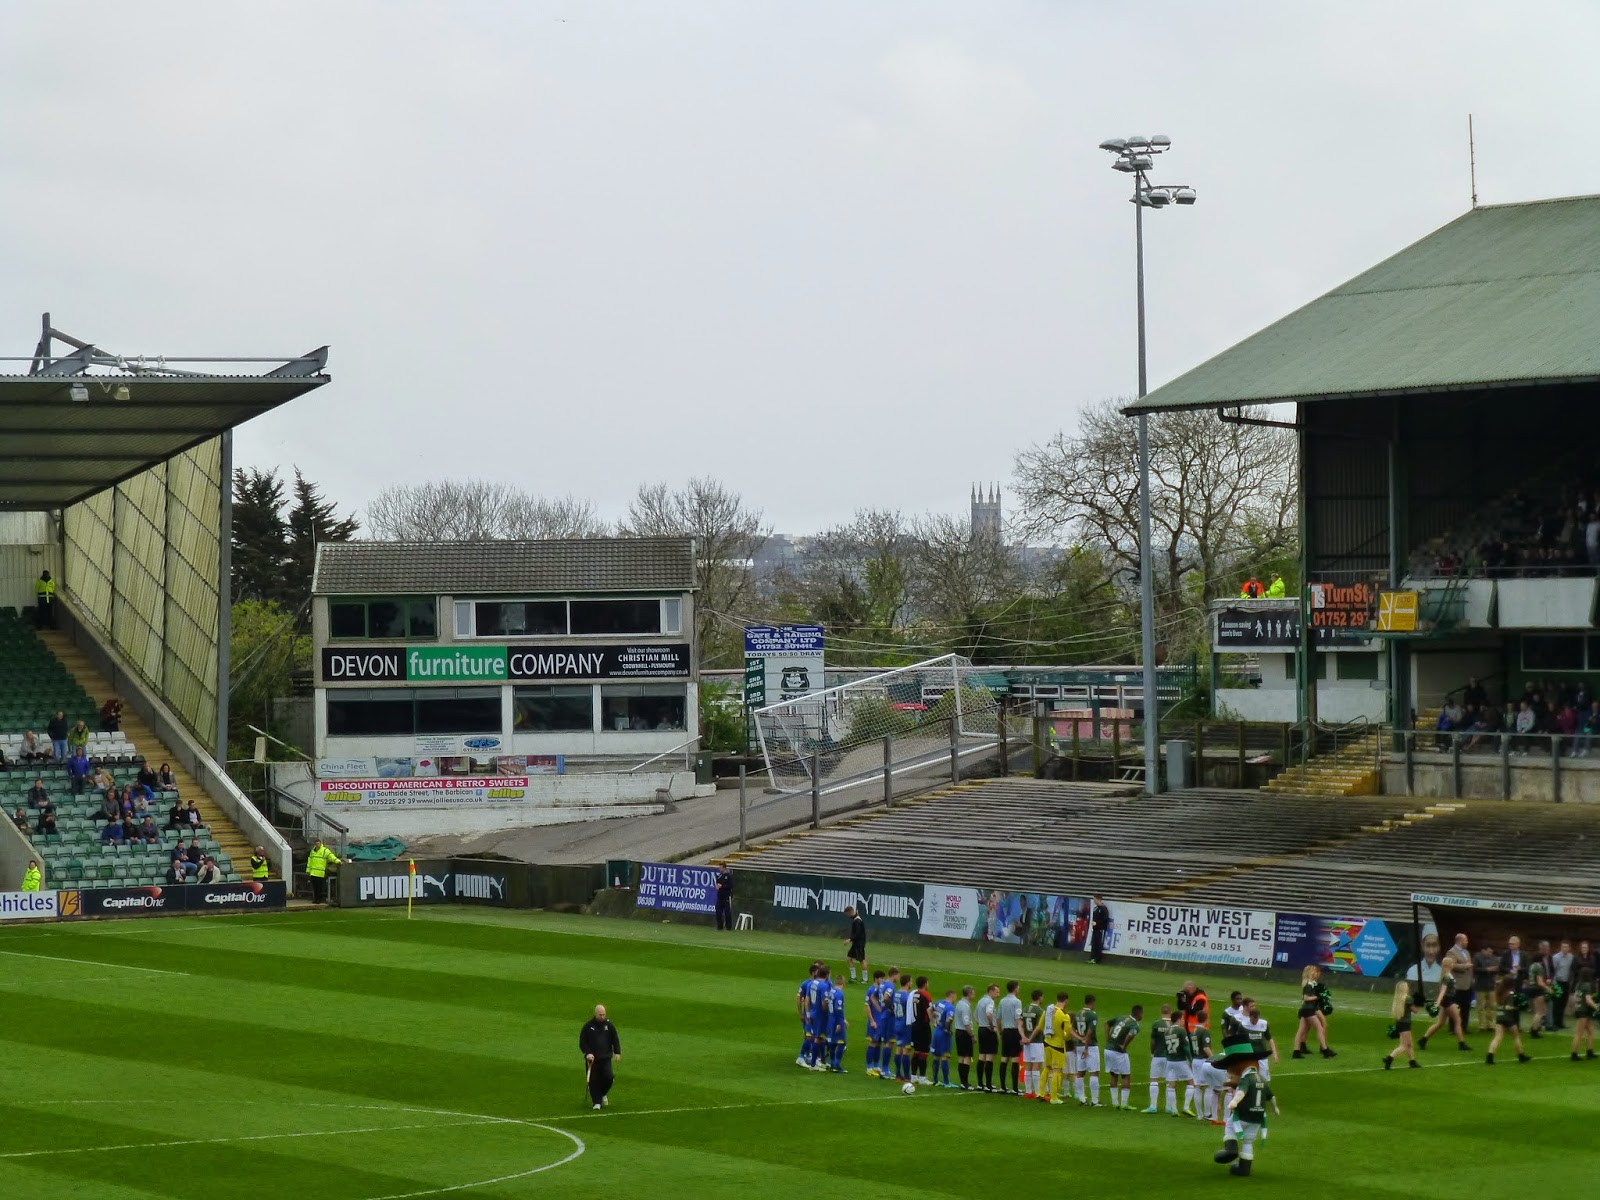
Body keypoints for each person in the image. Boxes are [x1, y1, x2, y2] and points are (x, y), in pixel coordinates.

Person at [1212, 1040, 1278, 1177]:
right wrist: (1275, 1109)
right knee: (1248, 1141)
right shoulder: (1261, 1079)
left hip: (1243, 1114)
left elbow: (1242, 1092)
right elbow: (1271, 1097)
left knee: (1230, 1126)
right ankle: (1244, 1168)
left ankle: (1231, 1150)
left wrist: (1234, 1102)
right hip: (1258, 1117)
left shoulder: (1246, 1079)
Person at [1419, 941, 1472, 1051]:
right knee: (1457, 1021)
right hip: (1448, 1001)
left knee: (1440, 1023)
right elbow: (1443, 991)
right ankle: (1462, 1044)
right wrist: (1437, 1004)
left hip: (1447, 1001)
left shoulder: (1447, 975)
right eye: (1452, 963)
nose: (1453, 964)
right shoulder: (1447, 977)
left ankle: (1423, 1039)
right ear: (1449, 965)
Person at [579, 1004, 621, 1110]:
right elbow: (582, 1042)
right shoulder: (588, 1026)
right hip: (592, 1060)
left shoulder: (609, 1025)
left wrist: (617, 1052)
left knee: (609, 1077)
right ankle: (596, 1102)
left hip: (605, 1058)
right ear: (596, 1014)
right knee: (593, 1081)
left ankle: (603, 1093)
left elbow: (615, 1039)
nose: (602, 1016)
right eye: (600, 1015)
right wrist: (588, 1053)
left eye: (604, 1014)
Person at [1485, 976, 1532, 1065]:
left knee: (1497, 1037)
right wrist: (1517, 1007)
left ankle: (1490, 1056)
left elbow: (1495, 1005)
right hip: (1508, 1018)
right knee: (1516, 1037)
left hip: (1499, 1017)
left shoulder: (1499, 992)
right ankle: (1521, 1056)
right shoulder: (1510, 994)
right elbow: (1508, 1007)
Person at [1292, 965, 1336, 1058]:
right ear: (1310, 973)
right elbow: (1306, 998)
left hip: (1307, 1009)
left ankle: (1296, 1051)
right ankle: (1325, 1050)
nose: (1316, 973)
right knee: (1319, 1028)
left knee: (1301, 1031)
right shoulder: (1309, 985)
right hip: (1309, 1010)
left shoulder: (1311, 984)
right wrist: (1318, 996)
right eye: (1314, 972)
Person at [1104, 1005, 1142, 1111]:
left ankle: (1115, 1103)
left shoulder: (1121, 1017)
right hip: (1118, 1052)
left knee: (1113, 1074)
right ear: (1139, 1014)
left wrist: (1107, 1039)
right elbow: (1131, 1034)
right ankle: (1124, 1104)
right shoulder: (1134, 1025)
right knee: (1126, 1076)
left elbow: (1107, 1023)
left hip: (1108, 1049)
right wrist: (1124, 1046)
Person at [1041, 991, 1070, 1104]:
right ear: (1066, 1001)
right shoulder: (1064, 1015)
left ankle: (1041, 1093)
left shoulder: (1048, 1010)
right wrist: (1068, 1037)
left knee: (1047, 1068)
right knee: (1057, 1070)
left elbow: (1041, 1026)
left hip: (1047, 1042)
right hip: (1058, 1046)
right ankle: (1054, 1097)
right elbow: (1066, 1035)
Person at [1074, 993, 1102, 1106]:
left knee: (1080, 1072)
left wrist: (1079, 1038)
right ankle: (1095, 1101)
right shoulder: (1092, 1015)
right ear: (1092, 1002)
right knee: (1094, 1072)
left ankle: (1082, 1099)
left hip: (1079, 1046)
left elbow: (1071, 1029)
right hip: (1090, 1047)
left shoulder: (1078, 1013)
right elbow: (1090, 1032)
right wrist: (1086, 1046)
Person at [1144, 1003, 1172, 1114]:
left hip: (1158, 1055)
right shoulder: (1174, 1025)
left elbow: (1153, 1041)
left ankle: (1153, 1106)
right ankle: (1169, 1107)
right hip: (1170, 1057)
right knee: (1169, 1082)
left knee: (1154, 1080)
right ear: (1170, 1012)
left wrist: (1152, 1052)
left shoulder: (1156, 1024)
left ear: (1161, 1012)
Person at [997, 980, 1024, 1096]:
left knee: (1004, 1058)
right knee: (1015, 1059)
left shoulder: (1002, 1001)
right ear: (1015, 988)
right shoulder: (1017, 1002)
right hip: (1014, 1031)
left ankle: (1003, 1087)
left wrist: (1000, 1031)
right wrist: (1021, 1035)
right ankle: (1015, 1088)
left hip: (1005, 1031)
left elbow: (998, 1018)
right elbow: (1018, 1019)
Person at [974, 983, 999, 1092]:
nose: (998, 994)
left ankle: (980, 1084)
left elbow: (975, 1016)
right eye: (997, 992)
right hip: (988, 1031)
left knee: (982, 1056)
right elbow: (989, 1014)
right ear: (991, 991)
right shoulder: (990, 1002)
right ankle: (988, 1085)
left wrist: (981, 1024)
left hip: (981, 1029)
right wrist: (992, 1027)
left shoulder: (980, 1001)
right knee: (989, 1057)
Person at [1020, 988, 1045, 1099]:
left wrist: (1023, 1037)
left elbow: (1020, 1024)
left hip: (1026, 1042)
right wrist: (1030, 1038)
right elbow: (1038, 1027)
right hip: (1036, 1042)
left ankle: (1028, 1091)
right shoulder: (1039, 1011)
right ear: (1040, 997)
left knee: (1027, 1066)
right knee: (1036, 1066)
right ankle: (1037, 1092)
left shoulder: (1025, 1008)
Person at [930, 989, 957, 1088]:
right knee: (945, 1056)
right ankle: (946, 1082)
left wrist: (933, 1021)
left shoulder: (939, 1003)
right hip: (943, 1033)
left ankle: (935, 1080)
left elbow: (929, 1010)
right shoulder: (950, 1007)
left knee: (936, 1056)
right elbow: (949, 1019)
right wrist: (947, 1029)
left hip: (936, 1031)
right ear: (952, 996)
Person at [1473, 941, 1500, 1033]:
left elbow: (1498, 969)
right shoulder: (1477, 957)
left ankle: (1491, 1025)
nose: (1490, 953)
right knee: (1481, 1007)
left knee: (1492, 1006)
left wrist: (1495, 970)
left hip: (1491, 985)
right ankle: (1482, 1025)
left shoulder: (1494, 959)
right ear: (1483, 950)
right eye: (1488, 951)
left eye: (1491, 952)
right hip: (1480, 985)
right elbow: (1475, 969)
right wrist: (1486, 969)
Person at [1570, 973, 1598, 1062]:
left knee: (1590, 1031)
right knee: (1579, 1033)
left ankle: (1589, 1051)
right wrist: (1597, 1007)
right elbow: (1588, 1000)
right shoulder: (1587, 985)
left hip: (1580, 1009)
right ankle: (1574, 1054)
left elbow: (1575, 997)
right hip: (1584, 1011)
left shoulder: (1578, 984)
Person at [953, 983, 975, 1090]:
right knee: (967, 1057)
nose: (974, 995)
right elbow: (966, 1023)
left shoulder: (959, 1003)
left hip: (958, 1032)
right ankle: (965, 1083)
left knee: (961, 1057)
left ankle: (962, 1082)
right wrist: (972, 1035)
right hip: (964, 1033)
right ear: (969, 994)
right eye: (973, 993)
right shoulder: (965, 1006)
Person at [306, 838, 341, 903]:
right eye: (316, 844)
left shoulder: (325, 850)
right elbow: (309, 861)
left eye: (318, 843)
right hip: (313, 872)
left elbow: (331, 856)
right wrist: (308, 870)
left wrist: (337, 861)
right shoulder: (312, 851)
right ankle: (316, 899)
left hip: (320, 873)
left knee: (320, 887)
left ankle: (319, 899)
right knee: (315, 887)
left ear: (320, 843)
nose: (317, 845)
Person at [843, 904, 866, 980]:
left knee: (861, 960)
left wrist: (849, 939)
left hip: (859, 944)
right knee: (849, 958)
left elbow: (858, 933)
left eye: (847, 914)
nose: (847, 916)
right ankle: (853, 977)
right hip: (856, 943)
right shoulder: (856, 920)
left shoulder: (857, 921)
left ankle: (865, 978)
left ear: (850, 912)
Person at [1089, 894, 1110, 964]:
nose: (1094, 901)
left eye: (1095, 900)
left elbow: (1105, 919)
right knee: (1094, 943)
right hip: (1095, 929)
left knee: (1098, 944)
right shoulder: (1095, 908)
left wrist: (1097, 923)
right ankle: (1092, 958)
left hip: (1100, 929)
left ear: (1099, 900)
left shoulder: (1104, 909)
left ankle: (1097, 959)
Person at [712, 861, 733, 931]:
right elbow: (717, 882)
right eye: (719, 867)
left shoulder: (728, 876)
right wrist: (717, 885)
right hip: (720, 896)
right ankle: (719, 926)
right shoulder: (719, 875)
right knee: (718, 910)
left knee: (727, 912)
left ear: (724, 868)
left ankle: (728, 927)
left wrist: (722, 886)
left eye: (721, 868)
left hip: (726, 896)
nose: (720, 869)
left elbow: (730, 885)